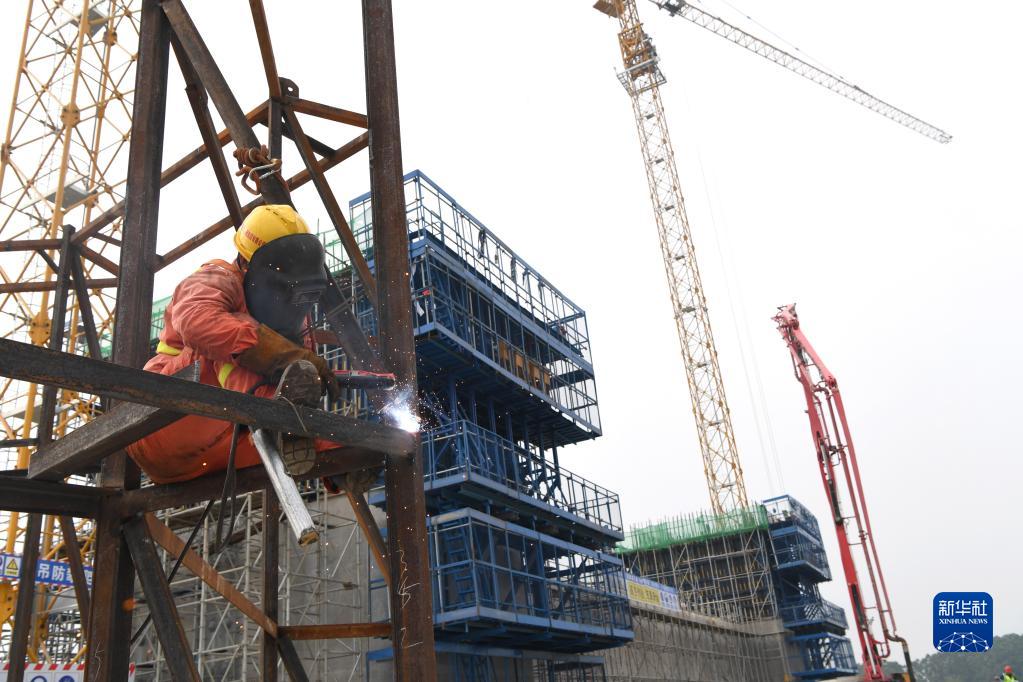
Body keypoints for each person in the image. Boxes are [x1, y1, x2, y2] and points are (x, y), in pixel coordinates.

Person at [127, 205, 341, 484]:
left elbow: (296, 374)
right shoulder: (217, 278)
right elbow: (197, 322)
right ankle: (277, 419)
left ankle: (334, 457)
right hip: (161, 427)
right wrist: (283, 354)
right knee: (225, 336)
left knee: (326, 444)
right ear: (247, 262)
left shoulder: (292, 319)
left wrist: (342, 454)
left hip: (226, 445)